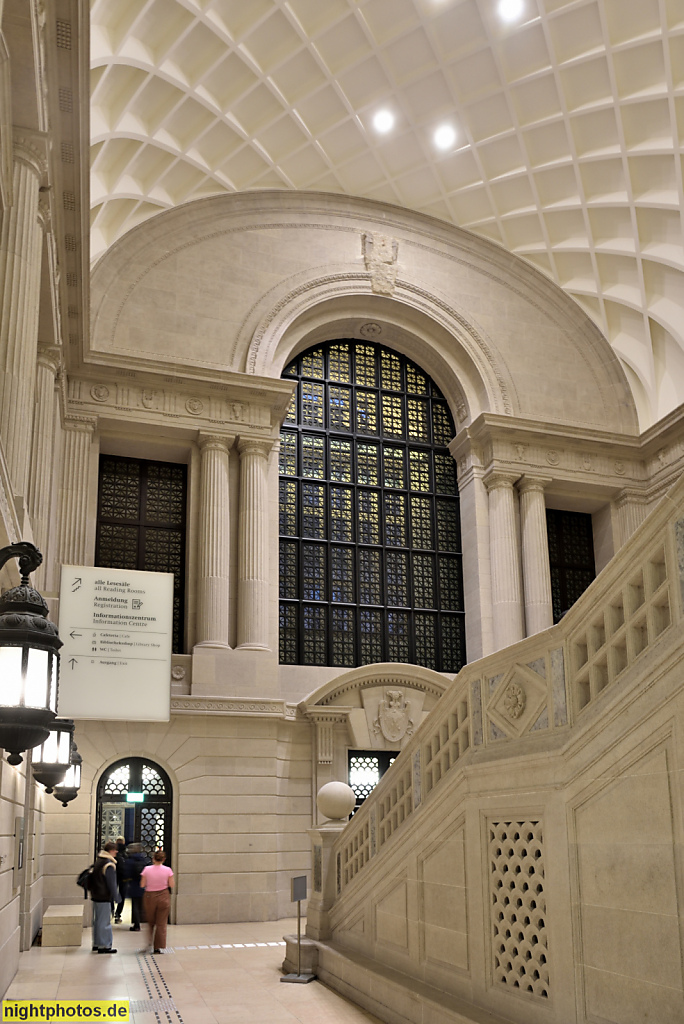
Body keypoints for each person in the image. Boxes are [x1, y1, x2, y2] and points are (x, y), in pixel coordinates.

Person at [140, 849, 173, 953]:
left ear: (153, 858)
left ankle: (149, 942)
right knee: (161, 923)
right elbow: (172, 885)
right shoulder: (168, 870)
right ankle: (158, 947)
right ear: (164, 859)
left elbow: (142, 884)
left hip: (150, 896)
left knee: (151, 922)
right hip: (163, 895)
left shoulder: (146, 869)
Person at [90, 841, 120, 954]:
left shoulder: (99, 861)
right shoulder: (109, 864)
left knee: (98, 921)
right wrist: (116, 896)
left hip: (96, 894)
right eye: (115, 849)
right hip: (104, 896)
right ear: (111, 851)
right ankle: (105, 945)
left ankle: (97, 943)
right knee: (104, 921)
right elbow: (111, 882)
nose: (116, 851)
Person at [123, 843, 150, 931]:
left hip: (134, 885)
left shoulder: (130, 861)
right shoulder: (143, 860)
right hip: (143, 885)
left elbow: (126, 873)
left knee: (135, 906)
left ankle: (137, 925)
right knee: (143, 905)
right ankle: (148, 921)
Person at [113, 836, 127, 923]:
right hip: (124, 876)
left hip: (114, 875)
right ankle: (118, 914)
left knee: (111, 893)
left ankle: (110, 911)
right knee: (122, 895)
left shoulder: (113, 851)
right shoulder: (125, 852)